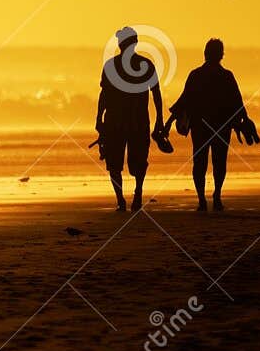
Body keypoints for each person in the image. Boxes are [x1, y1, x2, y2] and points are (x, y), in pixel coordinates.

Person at [166, 37, 246, 212]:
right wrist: (244, 121)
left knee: (199, 162)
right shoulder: (226, 76)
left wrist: (168, 122)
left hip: (200, 127)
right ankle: (216, 196)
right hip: (222, 126)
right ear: (221, 55)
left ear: (205, 54)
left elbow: (184, 100)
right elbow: (238, 102)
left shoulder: (196, 75)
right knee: (219, 162)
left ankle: (202, 199)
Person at [96, 26, 163, 213]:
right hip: (128, 122)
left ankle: (132, 197)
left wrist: (159, 119)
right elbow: (105, 94)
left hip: (129, 122)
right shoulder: (140, 65)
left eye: (123, 41)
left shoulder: (138, 65)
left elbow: (156, 93)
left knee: (130, 163)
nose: (121, 44)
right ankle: (126, 199)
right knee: (120, 162)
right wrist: (98, 118)